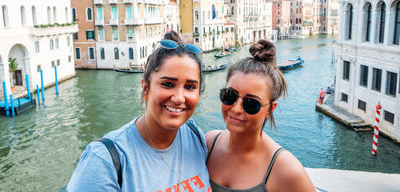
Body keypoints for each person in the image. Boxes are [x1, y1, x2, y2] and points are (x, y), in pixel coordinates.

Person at [67, 30, 211, 191]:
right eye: (168, 84)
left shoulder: (195, 136)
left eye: (190, 87)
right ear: (146, 88)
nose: (179, 98)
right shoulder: (103, 162)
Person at [206, 40, 315, 192]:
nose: (236, 108)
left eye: (251, 103)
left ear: (270, 109)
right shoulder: (209, 143)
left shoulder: (286, 169)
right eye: (229, 95)